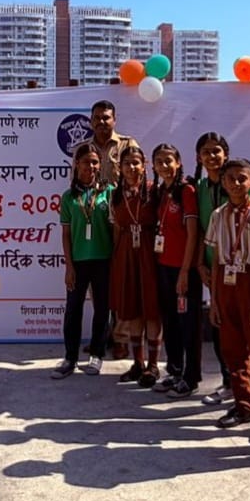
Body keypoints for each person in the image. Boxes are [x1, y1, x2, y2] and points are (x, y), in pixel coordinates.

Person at [204, 158, 250, 444]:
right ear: (222, 183)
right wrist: (215, 300)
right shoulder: (218, 215)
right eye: (230, 179)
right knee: (232, 351)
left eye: (242, 179)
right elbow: (216, 260)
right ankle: (242, 405)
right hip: (227, 284)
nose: (236, 184)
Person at [78, 100, 138, 360]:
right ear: (91, 121)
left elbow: (136, 176)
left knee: (121, 279)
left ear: (114, 120)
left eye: (106, 117)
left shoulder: (127, 144)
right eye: (97, 118)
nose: (102, 122)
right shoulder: (84, 148)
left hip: (121, 218)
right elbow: (77, 181)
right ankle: (102, 337)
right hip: (94, 219)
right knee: (99, 285)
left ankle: (121, 338)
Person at [52, 144, 113, 378]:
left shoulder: (109, 192)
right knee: (73, 309)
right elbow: (66, 235)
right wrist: (69, 266)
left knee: (102, 309)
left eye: (95, 162)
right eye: (86, 161)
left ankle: (97, 355)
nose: (91, 166)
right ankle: (70, 357)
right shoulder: (68, 197)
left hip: (103, 259)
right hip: (78, 261)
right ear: (76, 164)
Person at [150, 143, 202, 399]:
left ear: (178, 163)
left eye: (168, 161)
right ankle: (174, 370)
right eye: (159, 161)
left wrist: (184, 271)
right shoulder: (162, 191)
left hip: (184, 270)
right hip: (164, 267)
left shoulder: (186, 191)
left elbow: (193, 235)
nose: (164, 166)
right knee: (170, 321)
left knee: (188, 324)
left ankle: (191, 378)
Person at [109, 145, 162, 385]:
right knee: (132, 309)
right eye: (127, 163)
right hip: (126, 253)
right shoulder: (116, 195)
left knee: (151, 307)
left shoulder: (154, 191)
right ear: (120, 168)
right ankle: (138, 363)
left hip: (150, 253)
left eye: (136, 163)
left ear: (144, 166)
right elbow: (116, 228)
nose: (131, 167)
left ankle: (153, 365)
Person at [192, 132, 234, 406]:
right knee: (218, 325)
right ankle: (228, 381)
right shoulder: (200, 188)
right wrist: (199, 263)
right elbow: (199, 228)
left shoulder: (236, 182)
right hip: (210, 265)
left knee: (232, 327)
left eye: (216, 150)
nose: (211, 156)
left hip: (234, 268)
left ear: (225, 154)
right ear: (199, 157)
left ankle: (240, 384)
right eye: (206, 152)